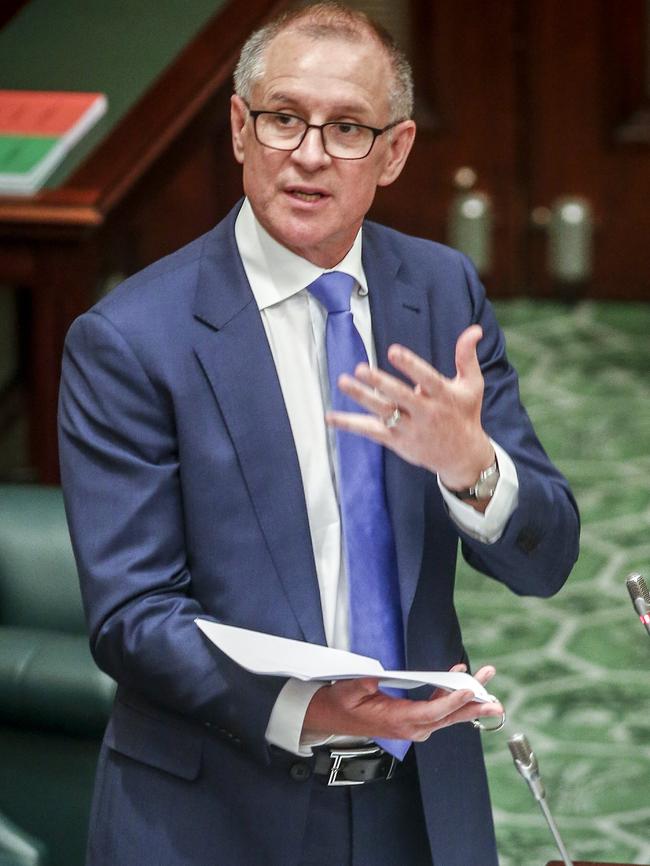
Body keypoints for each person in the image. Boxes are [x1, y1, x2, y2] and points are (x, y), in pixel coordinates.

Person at [58, 4, 580, 865]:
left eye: (346, 128)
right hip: (216, 810)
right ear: (239, 128)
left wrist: (473, 469)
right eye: (283, 119)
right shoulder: (132, 340)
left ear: (396, 151)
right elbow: (133, 617)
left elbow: (546, 557)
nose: (307, 153)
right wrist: (324, 708)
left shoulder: (443, 293)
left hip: (419, 803)